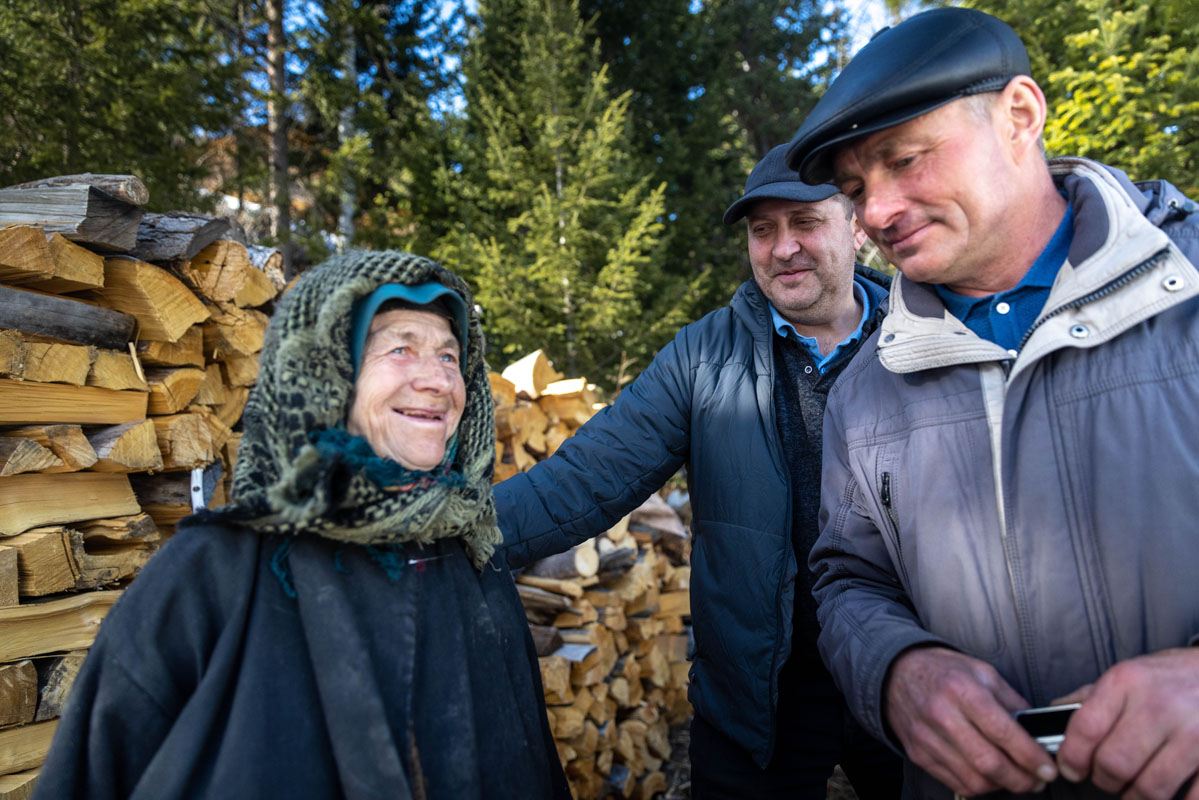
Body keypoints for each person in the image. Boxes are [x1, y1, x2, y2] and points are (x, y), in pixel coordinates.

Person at [783, 7, 1199, 800]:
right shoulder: (866, 388)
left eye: (903, 160)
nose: (874, 212)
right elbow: (848, 581)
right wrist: (896, 672)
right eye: (855, 188)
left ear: (1019, 114)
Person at [33, 251, 570, 800]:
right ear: (324, 372)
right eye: (401, 348)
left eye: (450, 356)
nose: (437, 381)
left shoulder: (472, 555)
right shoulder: (213, 571)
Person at [495, 144, 902, 798]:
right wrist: (456, 532)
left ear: (856, 226)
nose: (782, 247)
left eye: (804, 223)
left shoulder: (922, 338)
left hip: (903, 677)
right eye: (761, 230)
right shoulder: (702, 357)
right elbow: (585, 477)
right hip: (759, 693)